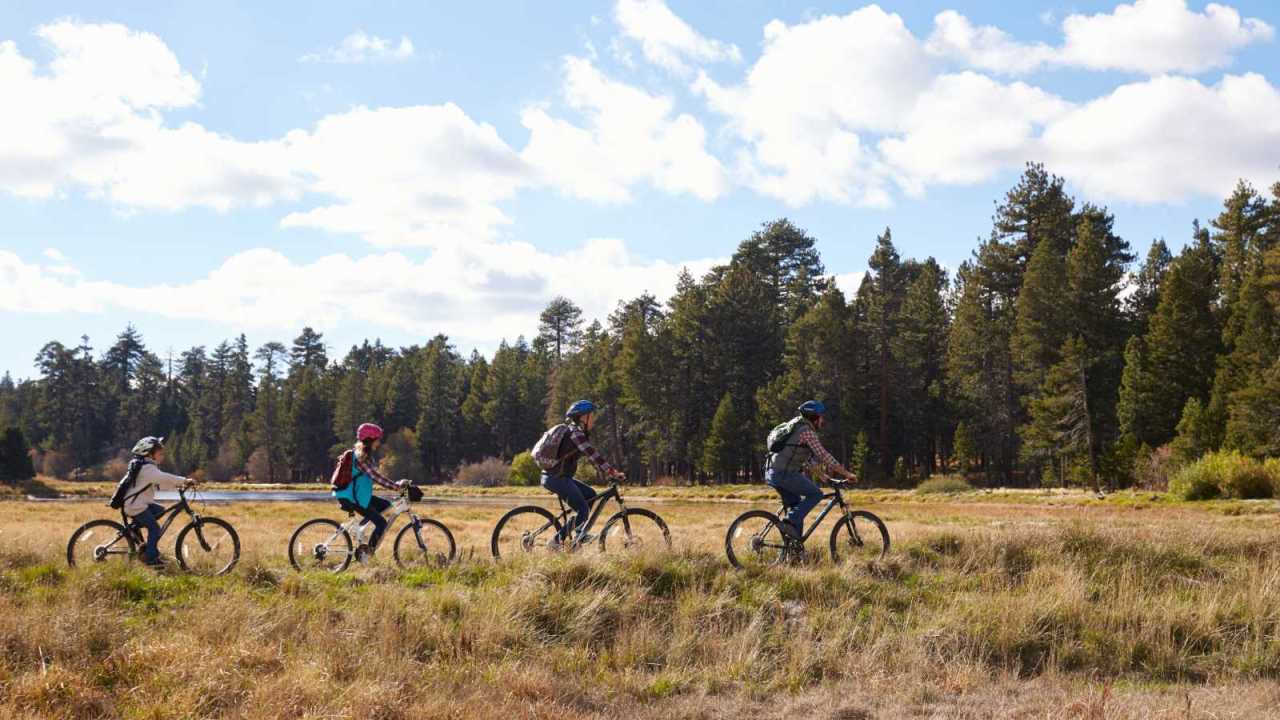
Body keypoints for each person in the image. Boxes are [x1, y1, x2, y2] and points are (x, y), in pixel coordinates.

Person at [765, 401, 857, 540]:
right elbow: (824, 456)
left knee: (797, 507)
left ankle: (794, 550)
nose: (822, 420)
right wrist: (847, 474)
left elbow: (807, 459)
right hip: (784, 473)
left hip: (772, 471)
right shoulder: (806, 432)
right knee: (816, 495)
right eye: (820, 416)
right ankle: (788, 521)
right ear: (814, 417)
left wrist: (823, 477)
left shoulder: (796, 426)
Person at [541, 400, 625, 545]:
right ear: (582, 418)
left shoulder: (575, 432)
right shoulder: (576, 434)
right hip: (557, 478)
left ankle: (580, 534)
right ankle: (556, 541)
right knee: (582, 508)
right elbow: (593, 455)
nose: (593, 419)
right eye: (591, 416)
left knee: (590, 495)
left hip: (557, 477)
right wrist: (612, 472)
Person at [331, 423, 408, 554]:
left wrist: (395, 485)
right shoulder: (361, 457)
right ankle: (368, 554)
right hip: (353, 497)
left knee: (386, 506)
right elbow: (376, 477)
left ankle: (360, 530)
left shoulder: (363, 456)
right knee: (382, 523)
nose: (379, 442)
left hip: (359, 496)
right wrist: (396, 486)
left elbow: (374, 476)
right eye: (377, 439)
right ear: (370, 439)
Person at [120, 436, 193, 566]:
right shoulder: (147, 469)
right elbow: (163, 477)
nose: (162, 456)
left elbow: (160, 483)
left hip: (137, 503)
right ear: (149, 454)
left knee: (160, 510)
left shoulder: (146, 466)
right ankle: (151, 558)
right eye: (160, 454)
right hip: (136, 506)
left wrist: (177, 485)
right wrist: (184, 480)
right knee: (155, 529)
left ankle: (137, 535)